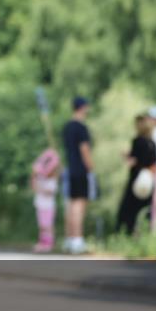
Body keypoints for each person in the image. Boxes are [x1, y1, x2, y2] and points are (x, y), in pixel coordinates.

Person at [61, 97, 96, 254]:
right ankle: (77, 240)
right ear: (83, 108)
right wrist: (91, 167)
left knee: (70, 204)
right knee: (79, 205)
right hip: (81, 170)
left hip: (69, 169)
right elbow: (84, 150)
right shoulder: (81, 128)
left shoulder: (67, 127)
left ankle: (69, 239)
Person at [115, 115, 156, 235]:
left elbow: (133, 162)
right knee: (145, 210)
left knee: (128, 209)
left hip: (136, 179)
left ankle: (126, 234)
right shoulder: (153, 143)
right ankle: (145, 234)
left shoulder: (137, 141)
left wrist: (126, 157)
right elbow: (154, 165)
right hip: (148, 181)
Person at [30, 148, 61, 253]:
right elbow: (33, 186)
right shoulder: (40, 178)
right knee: (42, 226)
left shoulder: (52, 180)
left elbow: (51, 192)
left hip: (48, 206)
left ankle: (49, 243)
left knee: (48, 225)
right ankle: (43, 242)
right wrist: (34, 175)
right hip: (40, 205)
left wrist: (41, 188)